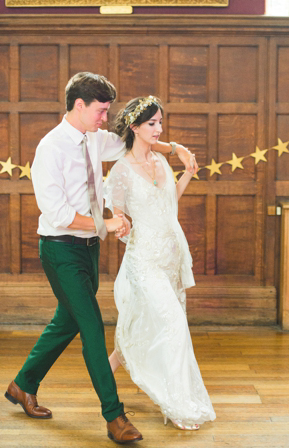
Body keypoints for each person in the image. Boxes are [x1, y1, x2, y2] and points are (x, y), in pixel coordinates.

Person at [4, 72, 197, 444]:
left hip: (88, 249)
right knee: (92, 326)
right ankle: (115, 416)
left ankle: (22, 385)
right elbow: (57, 213)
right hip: (60, 247)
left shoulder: (96, 138)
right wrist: (106, 223)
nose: (106, 117)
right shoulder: (50, 148)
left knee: (67, 321)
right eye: (101, 110)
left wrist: (174, 148)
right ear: (80, 105)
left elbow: (134, 139)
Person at [105, 96, 216, 430]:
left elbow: (167, 204)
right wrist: (119, 224)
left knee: (140, 322)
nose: (159, 129)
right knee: (172, 324)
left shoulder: (161, 162)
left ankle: (103, 371)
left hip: (171, 260)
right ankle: (178, 405)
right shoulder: (121, 171)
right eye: (152, 123)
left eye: (160, 123)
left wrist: (187, 175)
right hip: (144, 261)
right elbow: (119, 219)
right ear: (135, 127)